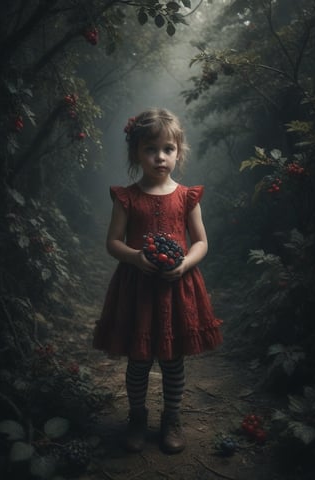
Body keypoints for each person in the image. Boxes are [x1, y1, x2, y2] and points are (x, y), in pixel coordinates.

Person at [93, 108, 222, 454]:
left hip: (176, 288)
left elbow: (201, 242)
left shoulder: (187, 197)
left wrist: (185, 265)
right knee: (138, 360)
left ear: (178, 152)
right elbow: (113, 243)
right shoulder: (127, 197)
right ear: (136, 152)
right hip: (137, 289)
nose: (160, 156)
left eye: (168, 148)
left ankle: (172, 419)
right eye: (151, 149)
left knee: (172, 360)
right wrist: (135, 257)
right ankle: (137, 418)